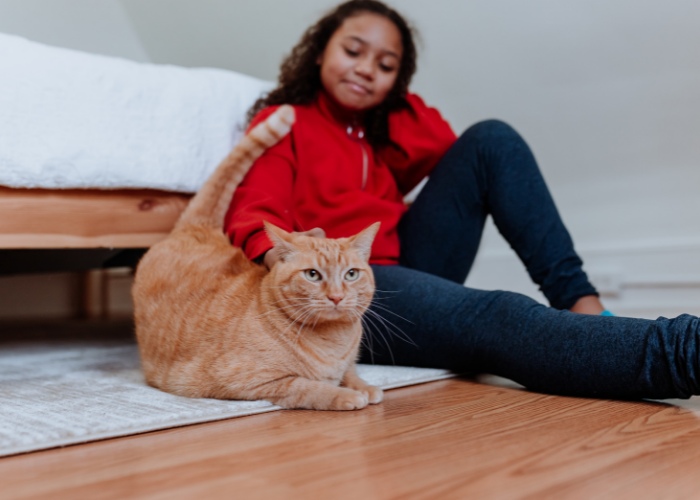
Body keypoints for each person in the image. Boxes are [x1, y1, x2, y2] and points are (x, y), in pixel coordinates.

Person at [225, 0, 699, 400]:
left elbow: (442, 143)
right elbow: (253, 210)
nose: (367, 69)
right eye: (353, 51)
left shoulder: (379, 134)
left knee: (492, 139)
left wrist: (385, 103)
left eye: (386, 65)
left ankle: (583, 306)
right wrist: (290, 266)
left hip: (402, 260)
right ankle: (685, 351)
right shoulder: (284, 120)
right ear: (318, 51)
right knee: (498, 315)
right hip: (342, 291)